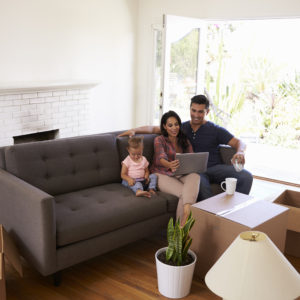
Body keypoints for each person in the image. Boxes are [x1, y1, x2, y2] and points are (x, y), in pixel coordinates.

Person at [119, 94, 253, 201]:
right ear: (190, 109)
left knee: (246, 177)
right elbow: (153, 128)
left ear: (207, 112)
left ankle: (237, 208)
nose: (196, 115)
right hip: (195, 171)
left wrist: (240, 152)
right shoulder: (181, 127)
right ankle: (212, 219)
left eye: (200, 112)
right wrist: (134, 130)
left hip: (215, 168)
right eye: (193, 110)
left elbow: (238, 142)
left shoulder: (215, 129)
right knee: (202, 188)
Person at [150, 110, 200, 225]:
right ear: (164, 126)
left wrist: (194, 164)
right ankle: (183, 224)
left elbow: (191, 156)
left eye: (176, 124)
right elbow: (160, 157)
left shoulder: (184, 140)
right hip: (162, 173)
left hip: (181, 172)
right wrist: (169, 164)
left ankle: (184, 219)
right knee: (185, 193)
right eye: (170, 125)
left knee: (196, 176)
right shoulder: (159, 140)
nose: (174, 128)